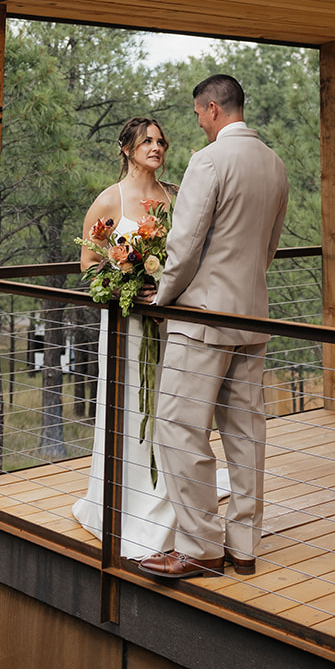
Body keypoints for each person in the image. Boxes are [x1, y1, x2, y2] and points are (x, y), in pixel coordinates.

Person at [139, 74, 289, 582]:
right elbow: (267, 248)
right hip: (252, 315)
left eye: (199, 114)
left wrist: (161, 298)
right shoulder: (274, 163)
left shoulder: (208, 161)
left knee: (179, 429)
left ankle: (200, 546)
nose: (199, 122)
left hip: (201, 319)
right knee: (246, 435)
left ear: (212, 108)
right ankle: (243, 547)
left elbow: (183, 247)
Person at [72, 117, 178, 560]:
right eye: (147, 141)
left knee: (169, 406)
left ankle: (168, 500)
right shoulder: (108, 201)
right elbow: (88, 266)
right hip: (126, 324)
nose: (156, 147)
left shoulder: (174, 198)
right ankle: (122, 501)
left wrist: (165, 286)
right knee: (130, 403)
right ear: (126, 149)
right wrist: (124, 286)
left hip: (168, 320)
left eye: (161, 141)